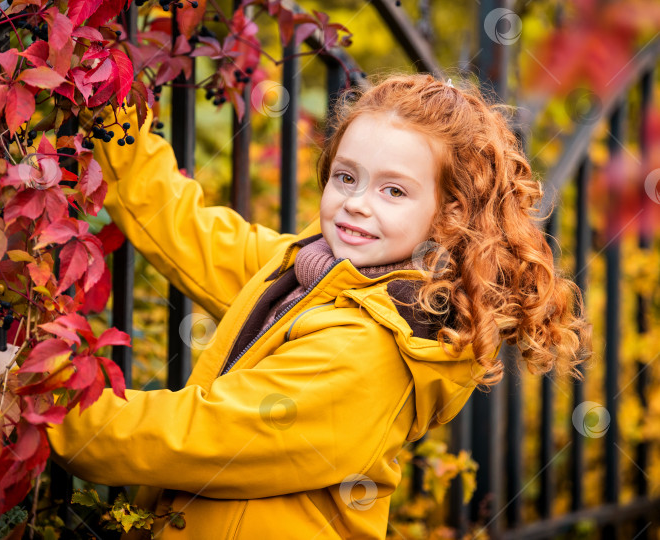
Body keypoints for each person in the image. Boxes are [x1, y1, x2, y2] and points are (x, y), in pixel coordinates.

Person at [45, 72, 592, 539]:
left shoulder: (372, 350)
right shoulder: (317, 269)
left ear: (448, 213)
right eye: (346, 177)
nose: (356, 202)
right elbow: (191, 235)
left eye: (393, 191)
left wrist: (40, 405)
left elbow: (200, 435)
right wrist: (109, 106)